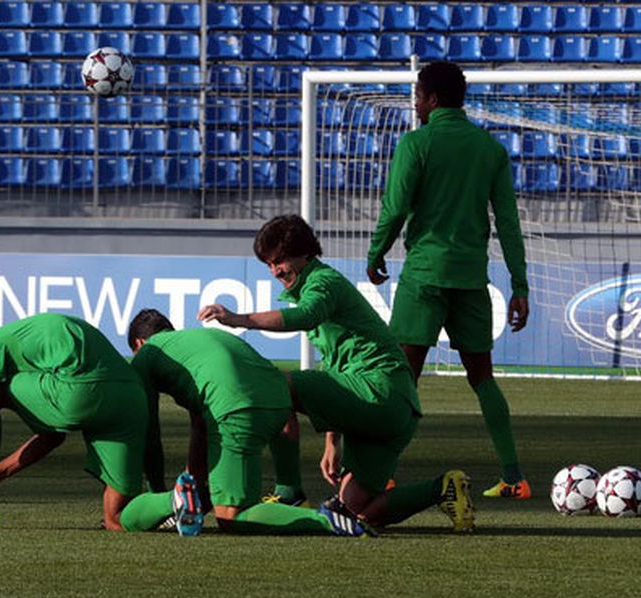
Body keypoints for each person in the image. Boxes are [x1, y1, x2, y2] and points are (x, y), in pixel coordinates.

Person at [198, 214, 473, 533]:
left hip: (377, 390)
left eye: (279, 262)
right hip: (395, 410)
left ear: (302, 252)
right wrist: (332, 442)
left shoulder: (322, 282)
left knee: (274, 387)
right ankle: (443, 488)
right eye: (269, 265)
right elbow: (335, 370)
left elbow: (305, 316)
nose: (275, 272)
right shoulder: (318, 284)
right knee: (357, 512)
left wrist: (238, 319)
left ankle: (289, 493)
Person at [366, 61, 532, 501]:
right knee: (482, 378)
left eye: (418, 96)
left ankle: (380, 476)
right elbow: (509, 223)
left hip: (424, 276)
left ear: (433, 99)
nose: (415, 104)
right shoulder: (490, 150)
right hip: (471, 280)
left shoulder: (416, 143)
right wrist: (519, 285)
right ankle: (514, 477)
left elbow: (396, 207)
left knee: (403, 380)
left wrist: (376, 251)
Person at [119, 310, 368, 537]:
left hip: (237, 411)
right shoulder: (199, 340)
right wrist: (192, 482)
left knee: (231, 516)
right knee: (223, 488)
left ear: (139, 344)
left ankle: (327, 521)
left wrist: (161, 491)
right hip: (281, 403)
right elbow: (201, 425)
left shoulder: (148, 354)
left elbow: (148, 433)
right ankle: (290, 493)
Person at [0, 313, 164, 531]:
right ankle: (176, 499)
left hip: (81, 392)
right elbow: (52, 436)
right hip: (130, 397)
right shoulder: (29, 341)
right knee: (116, 518)